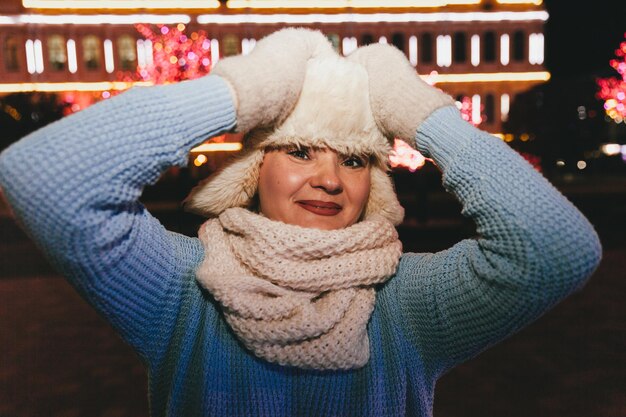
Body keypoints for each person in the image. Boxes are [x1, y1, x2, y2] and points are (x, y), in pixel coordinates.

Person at [0, 28, 601, 417]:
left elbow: (557, 248)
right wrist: (241, 92)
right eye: (301, 150)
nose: (331, 180)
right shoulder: (182, 289)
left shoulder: (407, 301)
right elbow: (43, 178)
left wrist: (421, 115)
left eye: (358, 159)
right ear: (254, 169)